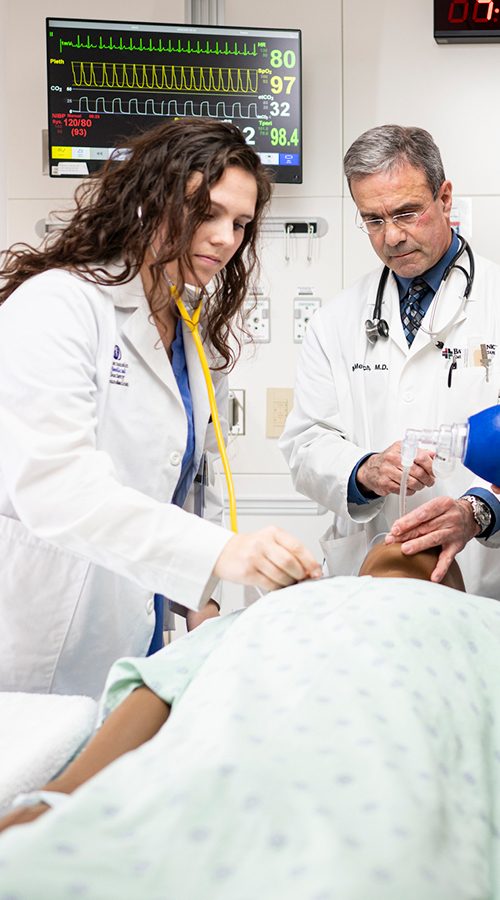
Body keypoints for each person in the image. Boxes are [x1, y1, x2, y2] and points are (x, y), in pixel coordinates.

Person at [0, 118, 321, 699]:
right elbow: (57, 488)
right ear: (150, 200)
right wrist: (223, 554)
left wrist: (207, 602)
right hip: (38, 633)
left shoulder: (196, 337)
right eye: (207, 212)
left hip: (136, 618)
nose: (227, 238)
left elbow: (198, 485)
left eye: (241, 224)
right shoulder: (59, 306)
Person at [1, 543, 499, 900]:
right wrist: (59, 797)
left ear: (458, 578)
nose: (413, 539)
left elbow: (155, 690)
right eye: (396, 533)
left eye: (437, 543)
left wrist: (62, 794)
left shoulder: (484, 622)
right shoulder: (283, 605)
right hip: (224, 770)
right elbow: (159, 687)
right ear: (357, 563)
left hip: (405, 809)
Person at [280, 124, 500, 596]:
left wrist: (480, 509)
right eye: (374, 220)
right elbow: (305, 445)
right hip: (371, 583)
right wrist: (363, 469)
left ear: (444, 198)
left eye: (407, 213)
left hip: (485, 580)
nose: (392, 237)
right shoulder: (336, 321)